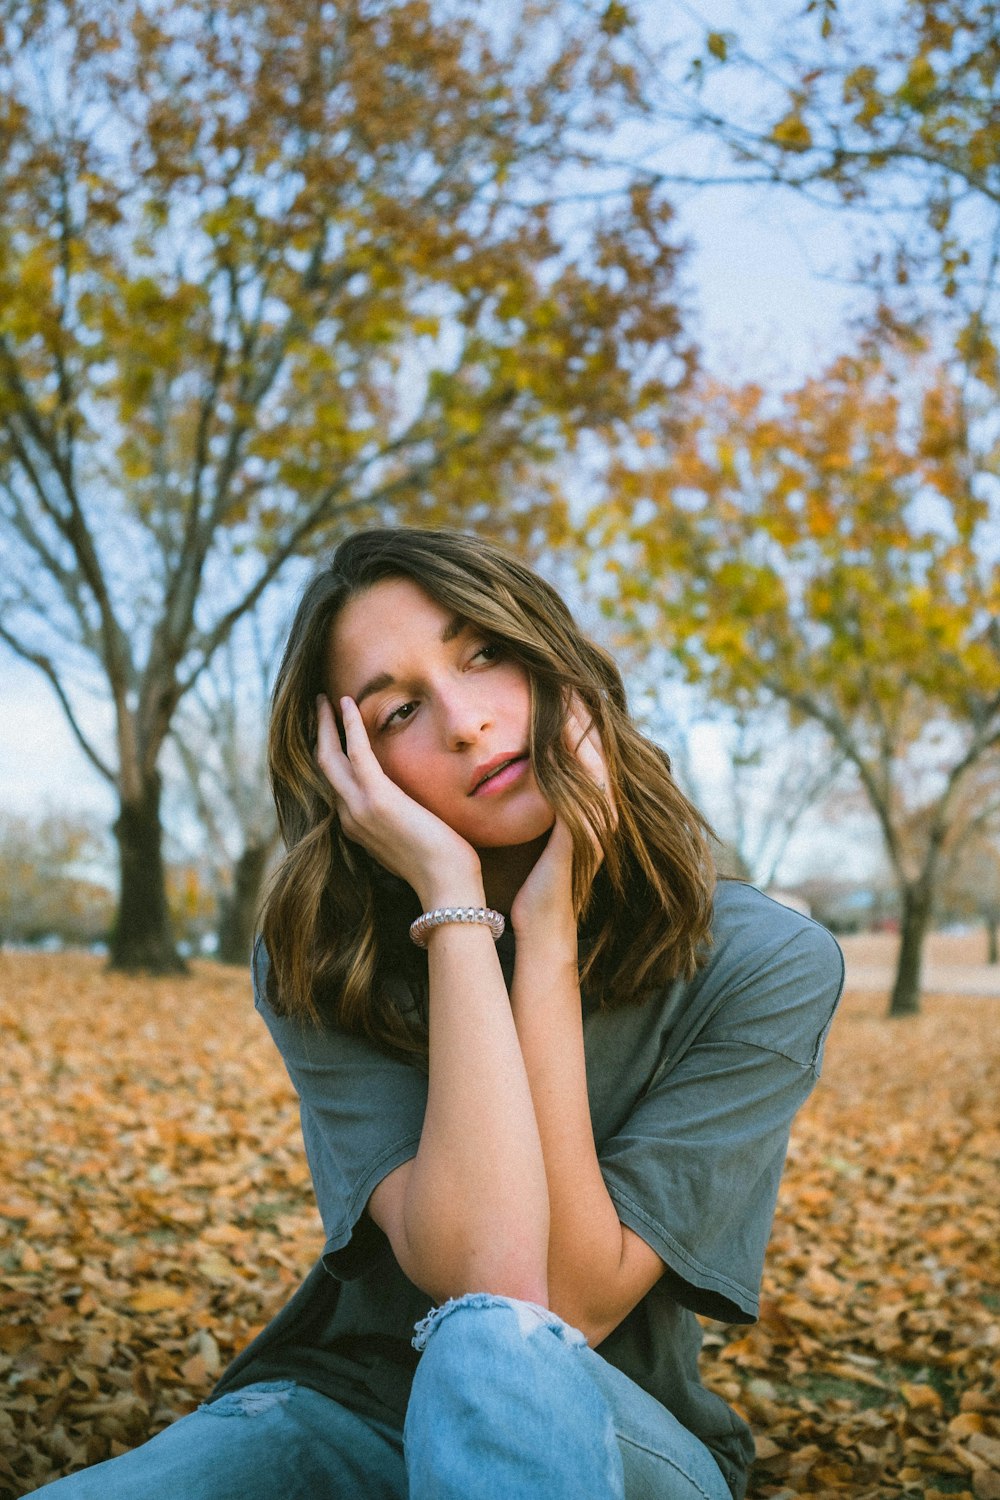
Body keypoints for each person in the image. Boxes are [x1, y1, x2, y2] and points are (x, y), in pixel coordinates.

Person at [33, 527, 844, 1500]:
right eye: (398, 711)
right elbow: (475, 1261)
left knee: (485, 1351)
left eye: (486, 654)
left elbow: (533, 1308)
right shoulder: (322, 957)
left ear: (558, 665)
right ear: (350, 774)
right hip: (345, 1407)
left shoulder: (765, 962)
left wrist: (543, 944)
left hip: (616, 1438)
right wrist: (455, 907)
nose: (464, 724)